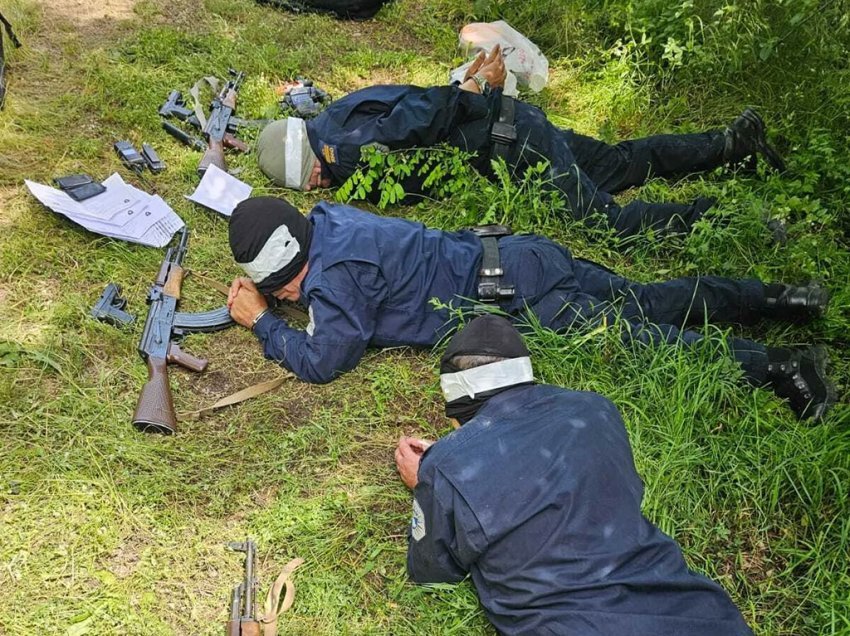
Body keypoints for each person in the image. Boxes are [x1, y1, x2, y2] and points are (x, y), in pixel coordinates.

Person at [226, 196, 834, 420]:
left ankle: (779, 366)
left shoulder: (334, 282)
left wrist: (261, 325)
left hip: (520, 295)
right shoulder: (331, 220)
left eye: (280, 291)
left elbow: (325, 359)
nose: (284, 300)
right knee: (646, 299)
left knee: (635, 336)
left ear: (285, 278)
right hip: (519, 253)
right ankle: (776, 297)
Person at [394, 314, 755, 636]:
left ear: (456, 399)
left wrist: (429, 480)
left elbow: (434, 570)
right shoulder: (596, 409)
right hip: (696, 611)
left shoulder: (445, 466)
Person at [254, 46, 786, 237]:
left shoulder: (342, 151)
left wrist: (468, 87)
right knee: (621, 163)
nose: (321, 187)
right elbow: (413, 108)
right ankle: (730, 142)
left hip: (513, 144)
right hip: (514, 121)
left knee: (609, 223)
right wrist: (469, 87)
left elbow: (415, 119)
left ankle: (733, 221)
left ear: (309, 165)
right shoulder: (339, 112)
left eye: (312, 181)